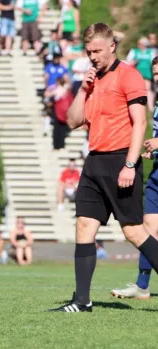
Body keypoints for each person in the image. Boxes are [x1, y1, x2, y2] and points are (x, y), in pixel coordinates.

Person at [52, 23, 158, 313]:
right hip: (95, 160)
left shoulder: (129, 75)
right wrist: (83, 89)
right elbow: (72, 121)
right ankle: (82, 301)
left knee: (134, 231)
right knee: (84, 225)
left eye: (97, 50)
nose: (93, 56)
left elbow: (140, 123)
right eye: (89, 52)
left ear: (112, 46)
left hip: (121, 159)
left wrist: (129, 164)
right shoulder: (91, 80)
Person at [110, 56, 158, 301]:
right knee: (148, 230)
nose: (157, 78)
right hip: (157, 175)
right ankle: (142, 285)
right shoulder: (156, 101)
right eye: (156, 73)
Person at [127, 37, 155, 113]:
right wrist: (133, 62)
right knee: (136, 90)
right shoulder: (134, 51)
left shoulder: (150, 52)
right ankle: (137, 106)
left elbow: (154, 62)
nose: (139, 45)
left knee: (148, 89)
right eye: (139, 44)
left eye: (141, 44)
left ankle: (150, 108)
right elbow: (128, 62)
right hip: (135, 75)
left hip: (147, 74)